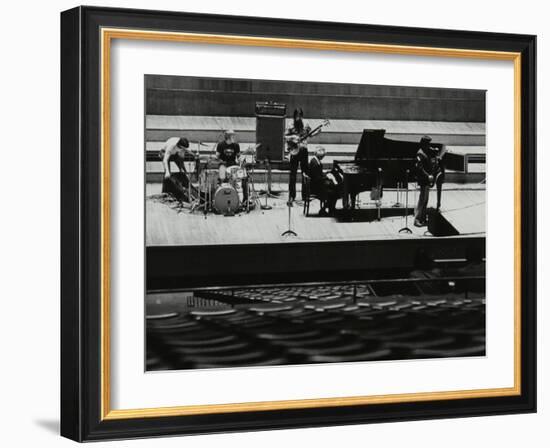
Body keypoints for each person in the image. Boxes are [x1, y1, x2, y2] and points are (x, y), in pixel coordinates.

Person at [285, 108, 311, 202]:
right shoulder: (290, 124)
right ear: (294, 116)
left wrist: (318, 132)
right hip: (294, 151)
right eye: (297, 116)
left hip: (303, 150)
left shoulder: (306, 124)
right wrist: (293, 137)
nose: (298, 118)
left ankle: (305, 195)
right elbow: (285, 137)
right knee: (293, 175)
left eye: (300, 116)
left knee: (305, 173)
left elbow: (310, 134)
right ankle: (292, 196)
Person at [215, 129, 248, 202]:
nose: (234, 137)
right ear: (228, 137)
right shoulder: (220, 145)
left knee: (245, 178)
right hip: (223, 166)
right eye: (233, 136)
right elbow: (217, 157)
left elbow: (238, 157)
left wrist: (242, 160)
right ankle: (221, 199)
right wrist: (221, 162)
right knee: (222, 179)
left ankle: (245, 199)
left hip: (233, 166)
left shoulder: (236, 145)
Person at [158, 136, 194, 201]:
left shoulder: (182, 145)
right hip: (164, 153)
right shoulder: (171, 146)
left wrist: (193, 154)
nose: (184, 150)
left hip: (174, 153)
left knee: (181, 169)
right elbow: (165, 160)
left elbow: (183, 156)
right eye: (183, 149)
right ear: (180, 146)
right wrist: (167, 172)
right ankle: (165, 191)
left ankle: (183, 186)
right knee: (167, 173)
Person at [308, 146, 341, 216]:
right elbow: (317, 178)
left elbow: (318, 174)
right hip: (316, 188)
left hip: (316, 184)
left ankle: (329, 208)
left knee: (334, 190)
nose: (323, 157)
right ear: (320, 156)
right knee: (335, 192)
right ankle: (328, 210)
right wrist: (328, 179)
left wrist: (326, 174)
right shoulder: (316, 164)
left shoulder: (314, 160)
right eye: (323, 156)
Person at [414, 135, 436, 227]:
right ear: (424, 144)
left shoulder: (426, 152)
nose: (429, 145)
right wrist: (428, 176)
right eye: (428, 144)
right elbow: (420, 168)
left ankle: (422, 218)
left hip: (427, 179)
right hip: (423, 179)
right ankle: (417, 219)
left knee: (426, 200)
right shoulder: (420, 153)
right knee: (422, 200)